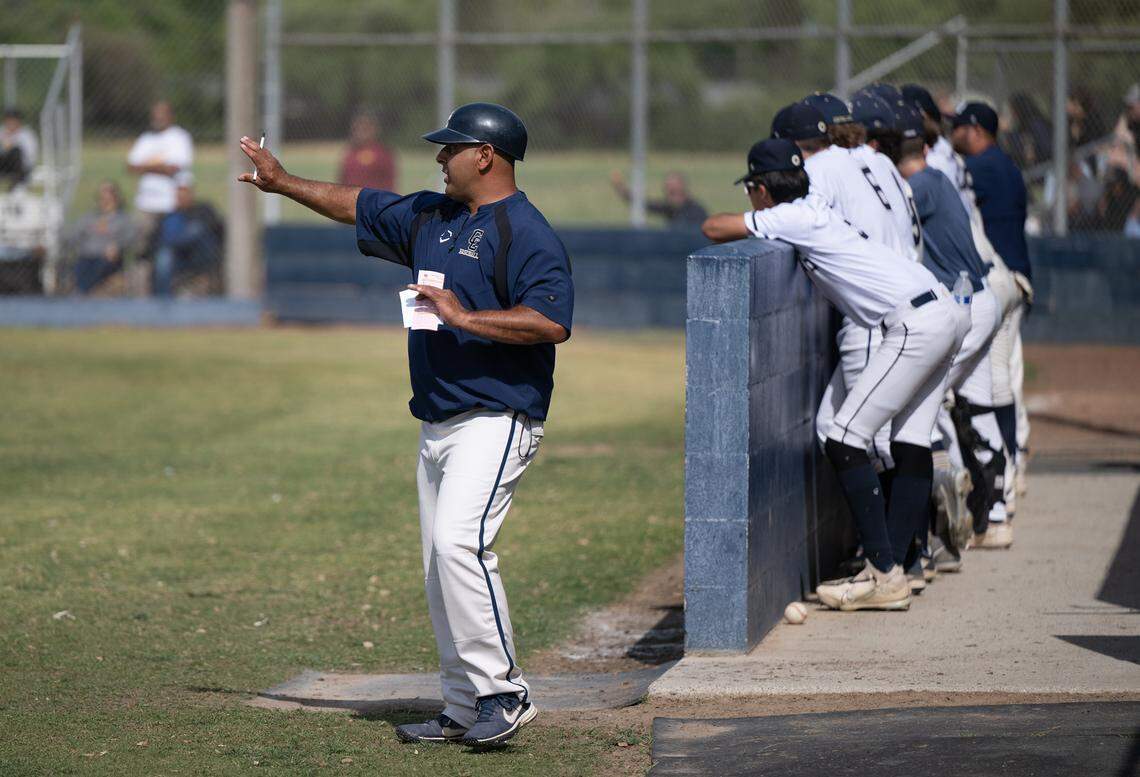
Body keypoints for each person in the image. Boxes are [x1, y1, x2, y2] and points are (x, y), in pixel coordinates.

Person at [238, 102, 572, 748]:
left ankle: (504, 692)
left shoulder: (526, 230)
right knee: (438, 563)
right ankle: (461, 703)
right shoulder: (433, 216)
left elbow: (551, 319)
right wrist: (283, 183)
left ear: (486, 156)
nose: (439, 158)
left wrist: (466, 317)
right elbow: (357, 203)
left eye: (451, 149)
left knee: (458, 545)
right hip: (439, 419)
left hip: (497, 414)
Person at [702, 138, 968, 612]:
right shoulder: (813, 207)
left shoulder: (795, 214)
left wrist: (755, 217)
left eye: (751, 190)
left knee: (844, 437)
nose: (750, 197)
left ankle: (884, 573)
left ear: (762, 189)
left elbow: (713, 226)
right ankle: (898, 570)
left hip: (913, 321)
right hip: (942, 306)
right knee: (909, 440)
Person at [894, 103, 1009, 557]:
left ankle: (952, 485)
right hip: (982, 299)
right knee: (972, 405)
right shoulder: (938, 175)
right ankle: (993, 509)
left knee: (923, 398)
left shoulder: (918, 185)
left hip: (965, 305)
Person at [952, 101, 1032, 527]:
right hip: (1014, 279)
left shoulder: (982, 167)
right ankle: (1014, 466)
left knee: (996, 382)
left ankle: (1004, 483)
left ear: (977, 130)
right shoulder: (1006, 165)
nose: (955, 134)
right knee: (1007, 377)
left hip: (1002, 282)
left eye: (960, 127)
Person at [126, 100, 194, 250]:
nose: (158, 118)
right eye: (155, 114)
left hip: (170, 203)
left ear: (171, 116)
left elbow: (173, 168)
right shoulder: (146, 138)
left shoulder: (179, 137)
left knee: (166, 248)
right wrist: (160, 167)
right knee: (140, 248)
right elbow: (130, 166)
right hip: (145, 202)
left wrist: (144, 166)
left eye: (162, 114)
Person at [151, 173, 224, 297]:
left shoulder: (203, 210)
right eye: (179, 194)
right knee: (164, 256)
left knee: (196, 230)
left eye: (185, 193)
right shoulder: (169, 215)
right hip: (177, 256)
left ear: (191, 193)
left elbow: (216, 230)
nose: (182, 197)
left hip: (200, 254)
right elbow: (155, 239)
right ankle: (162, 302)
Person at [68, 181, 137, 294]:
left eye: (108, 197)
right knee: (80, 267)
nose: (105, 201)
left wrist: (117, 246)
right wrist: (76, 246)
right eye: (102, 197)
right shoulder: (89, 218)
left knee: (100, 266)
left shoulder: (123, 219)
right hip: (86, 255)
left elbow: (130, 237)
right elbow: (74, 234)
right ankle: (80, 291)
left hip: (107, 257)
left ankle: (82, 291)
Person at [609, 170, 707, 226]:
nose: (671, 193)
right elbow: (644, 204)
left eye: (674, 190)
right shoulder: (669, 208)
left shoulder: (697, 211)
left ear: (684, 189)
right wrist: (621, 189)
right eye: (668, 190)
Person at [338, 112, 396, 190]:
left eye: (365, 128)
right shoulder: (350, 153)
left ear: (374, 129)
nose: (359, 132)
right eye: (356, 128)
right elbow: (342, 181)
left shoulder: (382, 154)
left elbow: (390, 184)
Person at [0, 108, 38, 188]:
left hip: (21, 167)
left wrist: (11, 145)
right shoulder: (2, 132)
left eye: (13, 121)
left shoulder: (27, 135)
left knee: (16, 150)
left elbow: (30, 156)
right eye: (8, 121)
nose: (10, 123)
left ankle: (17, 182)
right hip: (3, 165)